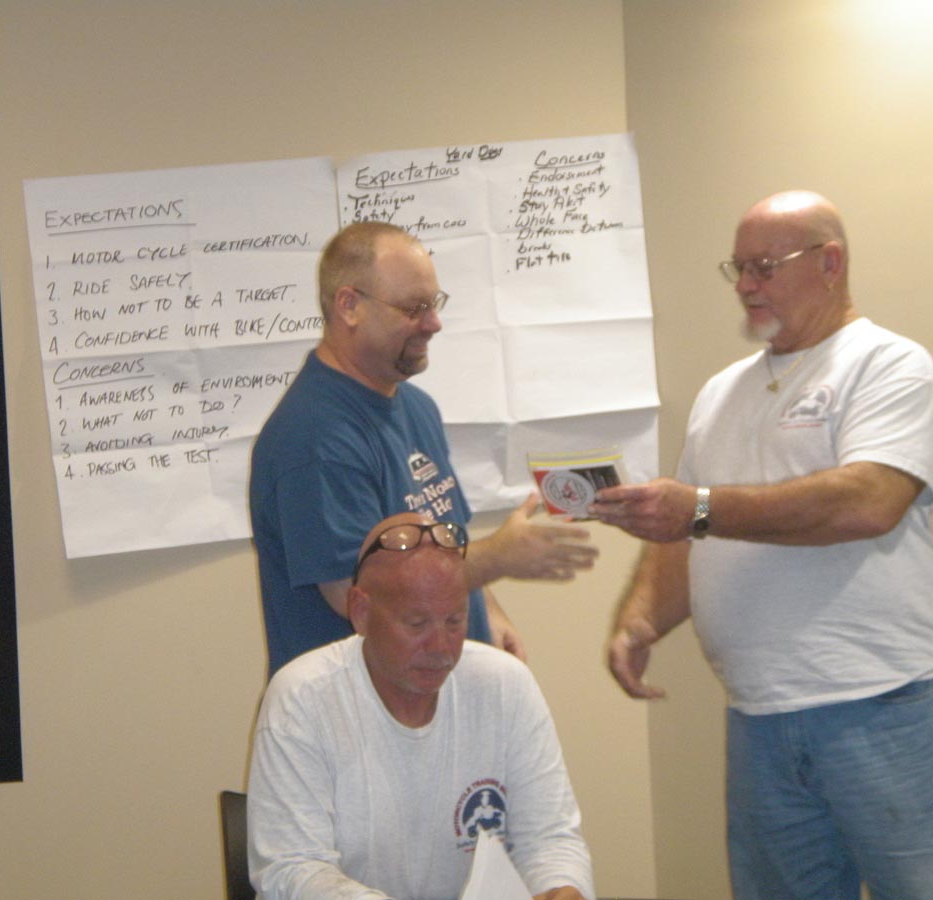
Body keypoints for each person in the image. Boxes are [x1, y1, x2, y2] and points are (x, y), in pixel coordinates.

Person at [590, 190, 933, 899]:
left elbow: (869, 501)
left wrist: (702, 507)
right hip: (758, 716)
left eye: (765, 267)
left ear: (830, 263)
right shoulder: (722, 392)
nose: (746, 285)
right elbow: (686, 535)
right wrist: (641, 619)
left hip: (885, 705)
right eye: (738, 268)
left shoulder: (891, 366)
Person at [250, 221, 598, 676]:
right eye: (413, 308)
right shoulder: (315, 438)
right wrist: (497, 558)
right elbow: (360, 598)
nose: (434, 323)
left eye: (434, 304)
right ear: (349, 306)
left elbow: (447, 541)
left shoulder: (415, 407)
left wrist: (486, 612)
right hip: (357, 706)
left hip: (431, 691)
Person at [247, 511, 594, 900]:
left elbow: (550, 838)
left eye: (454, 621)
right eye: (416, 624)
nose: (440, 646)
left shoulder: (504, 684)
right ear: (361, 612)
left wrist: (562, 887)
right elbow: (293, 868)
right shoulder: (301, 699)